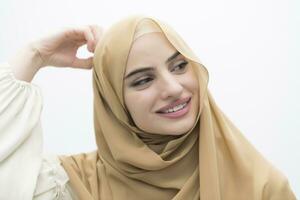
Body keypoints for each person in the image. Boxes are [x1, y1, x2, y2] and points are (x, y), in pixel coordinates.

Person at [0, 15, 296, 200]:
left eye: (180, 66)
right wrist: (35, 55)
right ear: (115, 101)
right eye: (143, 80)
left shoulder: (261, 188)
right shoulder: (72, 184)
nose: (173, 88)